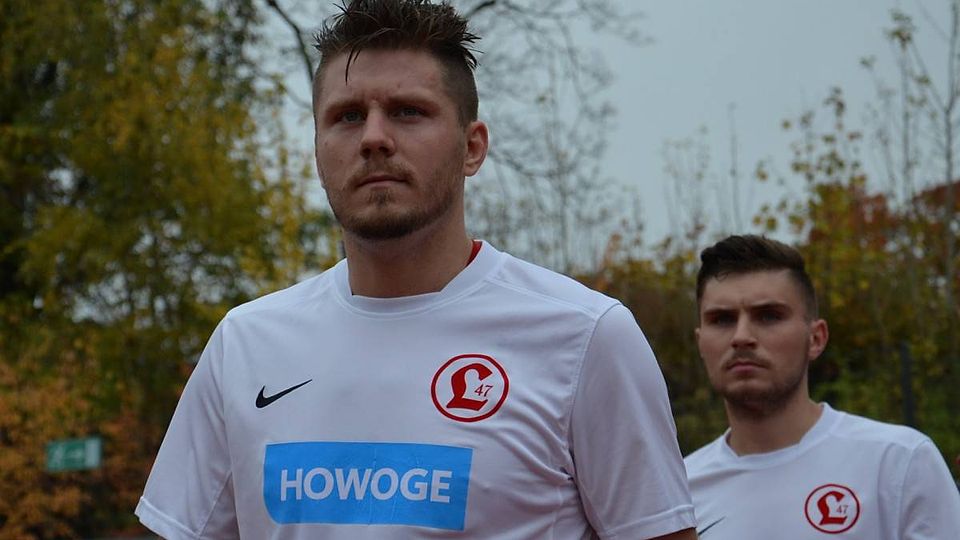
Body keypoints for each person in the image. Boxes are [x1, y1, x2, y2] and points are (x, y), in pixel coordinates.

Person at [134, 1, 697, 538]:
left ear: (472, 147)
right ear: (318, 151)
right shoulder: (244, 344)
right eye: (347, 117)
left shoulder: (586, 336)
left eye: (408, 112)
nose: (374, 138)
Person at [684, 234, 960, 538]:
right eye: (722, 320)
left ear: (816, 339)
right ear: (700, 342)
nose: (741, 337)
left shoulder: (899, 463)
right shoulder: (678, 495)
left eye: (769, 316)